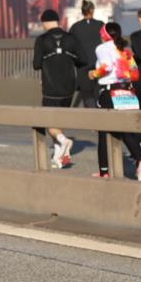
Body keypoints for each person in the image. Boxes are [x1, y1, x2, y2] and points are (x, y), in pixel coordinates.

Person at [88, 22, 141, 181]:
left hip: (110, 93)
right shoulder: (125, 50)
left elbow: (106, 67)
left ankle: (104, 171)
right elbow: (135, 74)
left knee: (103, 132)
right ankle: (140, 161)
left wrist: (93, 74)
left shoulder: (102, 48)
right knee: (126, 130)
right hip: (128, 93)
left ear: (104, 35)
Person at [32, 9, 85, 168]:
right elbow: (83, 60)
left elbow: (36, 65)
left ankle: (64, 140)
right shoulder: (71, 38)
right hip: (69, 88)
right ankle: (58, 156)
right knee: (59, 122)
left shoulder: (42, 40)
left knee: (50, 123)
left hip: (51, 88)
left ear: (44, 23)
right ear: (57, 21)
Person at [69, 0, 104, 108]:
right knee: (98, 92)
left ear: (82, 11)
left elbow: (70, 45)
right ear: (92, 10)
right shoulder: (100, 25)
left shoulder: (75, 27)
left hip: (82, 66)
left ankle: (90, 113)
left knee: (86, 94)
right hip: (98, 64)